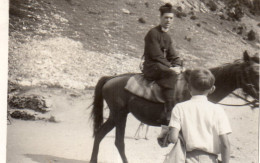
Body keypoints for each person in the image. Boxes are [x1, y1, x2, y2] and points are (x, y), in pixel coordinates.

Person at [168, 68, 232, 163]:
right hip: (210, 159)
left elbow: (173, 138)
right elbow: (225, 144)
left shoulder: (179, 108)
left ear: (189, 87)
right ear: (212, 89)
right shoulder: (218, 110)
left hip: (187, 158)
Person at [142, 3, 182, 120]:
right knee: (171, 74)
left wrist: (178, 64)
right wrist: (171, 67)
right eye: (166, 18)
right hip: (151, 66)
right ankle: (169, 111)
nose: (168, 20)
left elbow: (173, 54)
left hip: (161, 65)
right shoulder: (152, 33)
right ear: (160, 18)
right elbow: (156, 55)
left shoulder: (167, 37)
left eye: (171, 18)